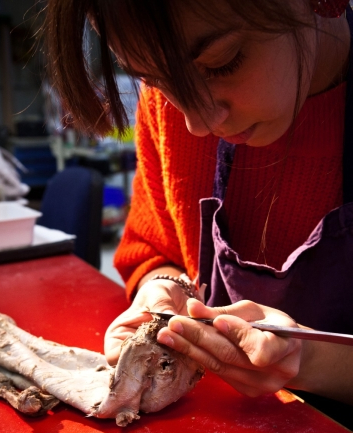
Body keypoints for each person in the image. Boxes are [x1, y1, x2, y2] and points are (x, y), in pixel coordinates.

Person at [45, 0, 353, 410]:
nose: (198, 122)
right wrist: (163, 288)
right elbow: (155, 248)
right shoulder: (170, 111)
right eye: (153, 79)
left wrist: (310, 361)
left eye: (222, 63)